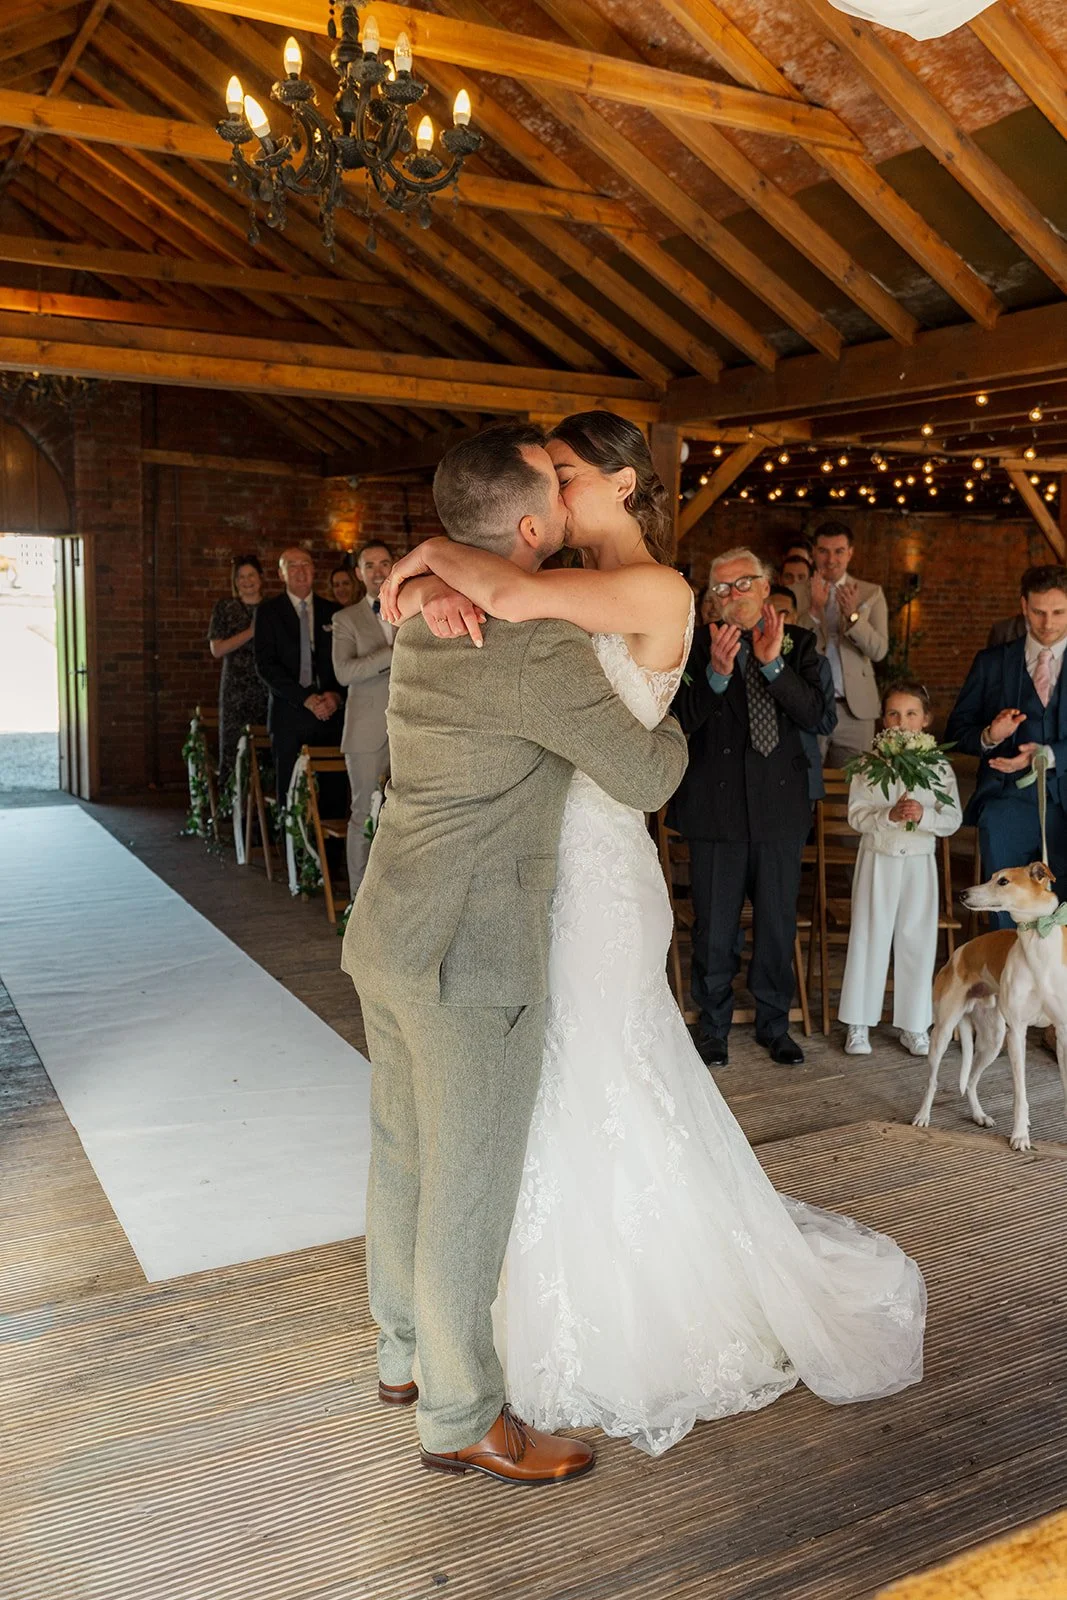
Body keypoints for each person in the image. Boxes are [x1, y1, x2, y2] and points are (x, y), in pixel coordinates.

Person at [379, 411, 925, 1459]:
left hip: (592, 868)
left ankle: (570, 1317)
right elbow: (505, 602)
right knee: (523, 1081)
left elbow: (514, 591)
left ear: (623, 484)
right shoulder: (561, 586)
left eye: (569, 473)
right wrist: (433, 583)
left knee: (588, 1066)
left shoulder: (654, 589)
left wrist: (429, 565)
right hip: (522, 867)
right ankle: (469, 1322)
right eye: (549, 477)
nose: (557, 491)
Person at [343, 420, 688, 1485]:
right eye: (556, 478)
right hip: (471, 954)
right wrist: (674, 730)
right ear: (533, 524)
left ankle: (401, 1356)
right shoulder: (535, 646)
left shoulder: (414, 620)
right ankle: (459, 1417)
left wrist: (425, 565)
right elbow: (645, 777)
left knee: (402, 1152)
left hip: (388, 928)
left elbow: (461, 584)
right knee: (468, 1182)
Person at [670, 549, 825, 1070]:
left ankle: (774, 1026)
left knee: (778, 926)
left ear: (765, 588)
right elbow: (679, 723)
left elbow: (817, 716)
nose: (732, 595)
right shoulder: (693, 649)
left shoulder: (800, 645)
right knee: (714, 929)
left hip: (781, 812)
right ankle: (712, 1029)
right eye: (722, 588)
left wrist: (772, 665)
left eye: (743, 585)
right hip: (716, 813)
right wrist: (715, 673)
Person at [838, 682, 962, 1057]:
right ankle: (858, 1024)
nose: (902, 721)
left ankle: (913, 1024)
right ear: (883, 720)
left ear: (925, 720)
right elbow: (857, 815)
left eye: (910, 714)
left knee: (917, 940)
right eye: (894, 714)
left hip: (920, 862)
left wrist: (924, 816)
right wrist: (887, 815)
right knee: (869, 936)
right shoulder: (869, 764)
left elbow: (952, 817)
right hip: (879, 858)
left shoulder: (939, 766)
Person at [946, 564, 1067, 929]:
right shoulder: (992, 663)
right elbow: (956, 731)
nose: (1048, 622)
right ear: (1023, 606)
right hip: (1005, 806)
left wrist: (1050, 755)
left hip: (1065, 806)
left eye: (1059, 612)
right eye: (1038, 611)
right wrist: (990, 736)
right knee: (1004, 916)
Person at [253, 547, 344, 804]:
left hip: (330, 715)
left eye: (305, 564)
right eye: (292, 566)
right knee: (290, 796)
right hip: (288, 714)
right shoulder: (268, 612)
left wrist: (336, 697)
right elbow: (266, 665)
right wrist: (305, 698)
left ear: (314, 569)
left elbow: (345, 661)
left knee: (332, 796)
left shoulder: (334, 612)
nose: (300, 570)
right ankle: (291, 846)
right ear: (281, 574)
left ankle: (331, 846)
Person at [332, 541, 395, 899]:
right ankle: (358, 900)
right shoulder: (345, 619)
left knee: (402, 818)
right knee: (362, 813)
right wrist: (391, 652)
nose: (378, 572)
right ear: (359, 573)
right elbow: (343, 672)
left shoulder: (412, 612)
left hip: (409, 730)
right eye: (369, 566)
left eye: (384, 563)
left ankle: (392, 900)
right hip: (365, 732)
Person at [809, 521, 889, 767]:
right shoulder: (800, 591)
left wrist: (853, 616)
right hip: (810, 704)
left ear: (850, 552)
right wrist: (814, 610)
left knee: (855, 788)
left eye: (839, 551)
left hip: (855, 710)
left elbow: (879, 651)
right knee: (805, 783)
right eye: (823, 551)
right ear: (813, 552)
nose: (830, 559)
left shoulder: (870, 593)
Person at [207, 554, 269, 783]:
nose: (247, 581)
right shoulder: (225, 607)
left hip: (267, 686)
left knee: (265, 748)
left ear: (260, 578)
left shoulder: (271, 607)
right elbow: (217, 648)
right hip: (235, 687)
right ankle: (232, 808)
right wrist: (251, 632)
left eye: (251, 575)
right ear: (235, 581)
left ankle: (263, 810)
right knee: (232, 744)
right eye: (241, 577)